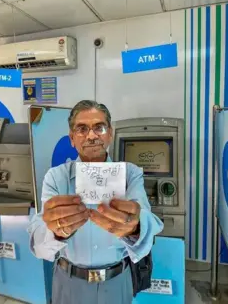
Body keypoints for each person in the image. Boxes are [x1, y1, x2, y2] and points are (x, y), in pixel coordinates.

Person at [28, 100, 164, 304]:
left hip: (117, 281)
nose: (91, 136)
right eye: (82, 129)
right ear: (72, 138)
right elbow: (38, 240)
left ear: (110, 133)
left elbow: (146, 218)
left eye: (99, 128)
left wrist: (135, 227)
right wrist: (55, 231)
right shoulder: (56, 177)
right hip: (68, 281)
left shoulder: (131, 174)